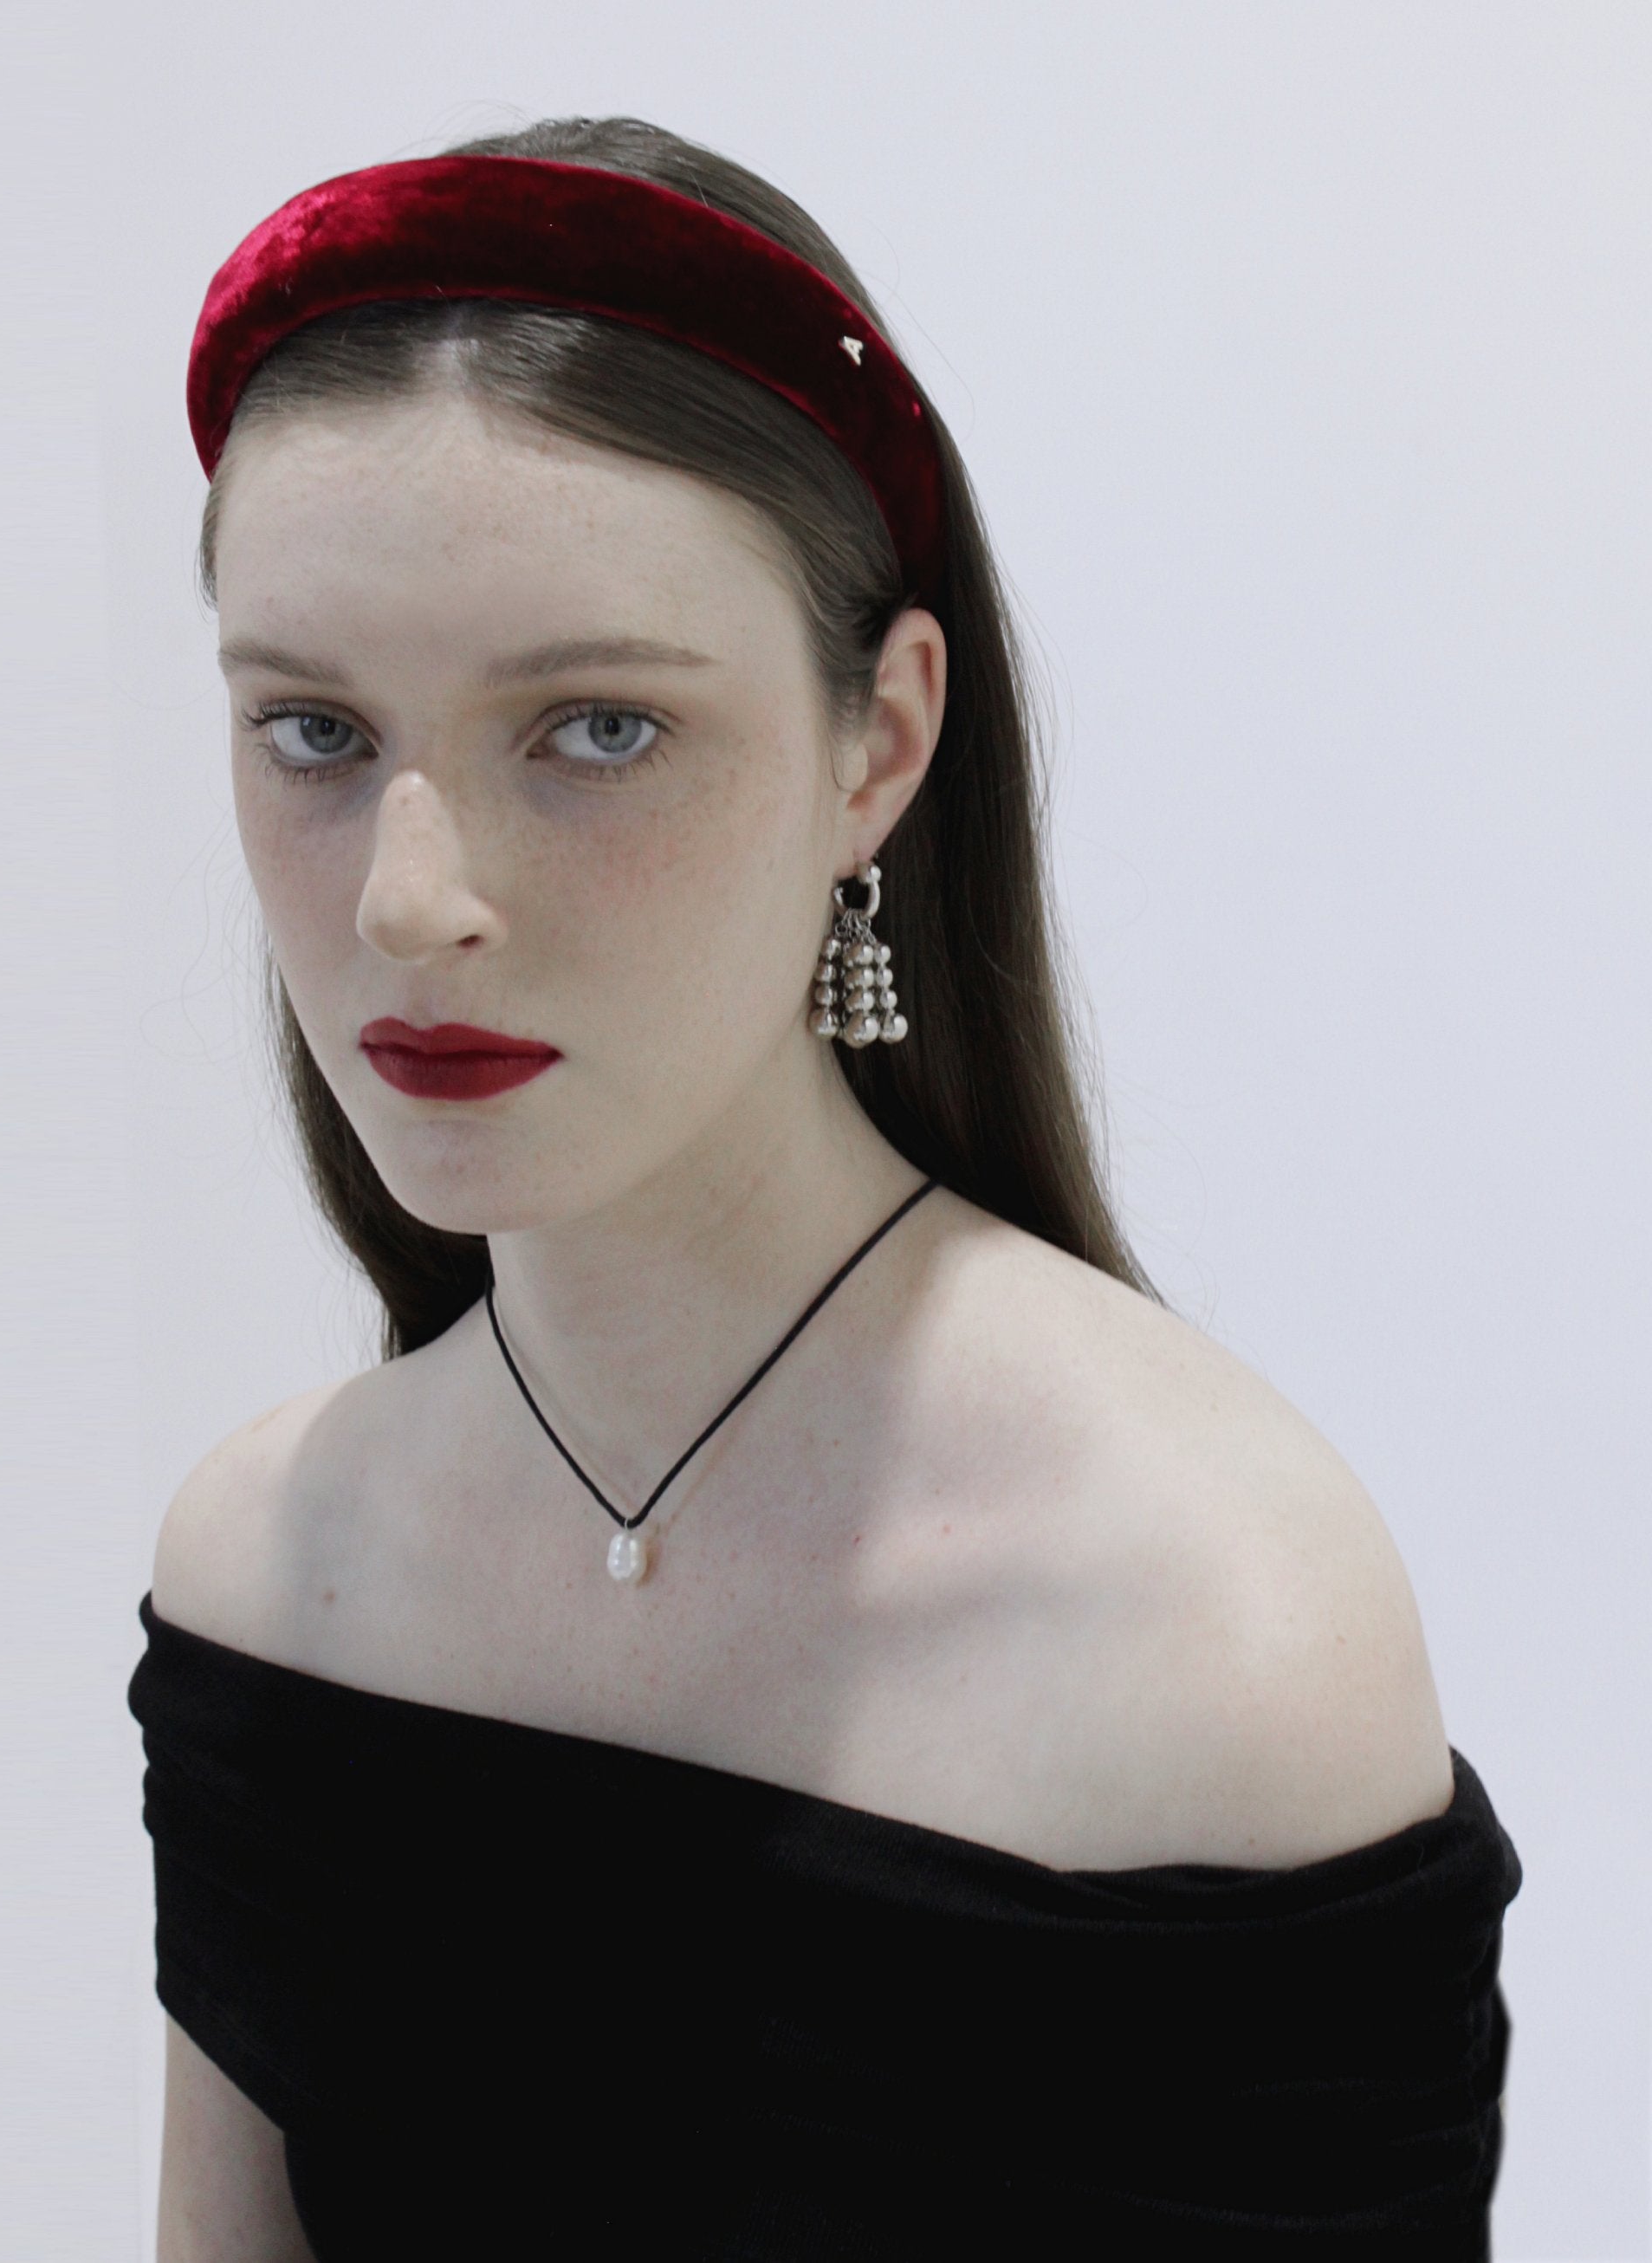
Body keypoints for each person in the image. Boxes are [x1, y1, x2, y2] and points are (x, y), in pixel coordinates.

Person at [129, 114, 1522, 2260]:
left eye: (595, 728)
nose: (411, 902)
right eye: (312, 732)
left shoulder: (1212, 1619)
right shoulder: (269, 1562)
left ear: (879, 742)